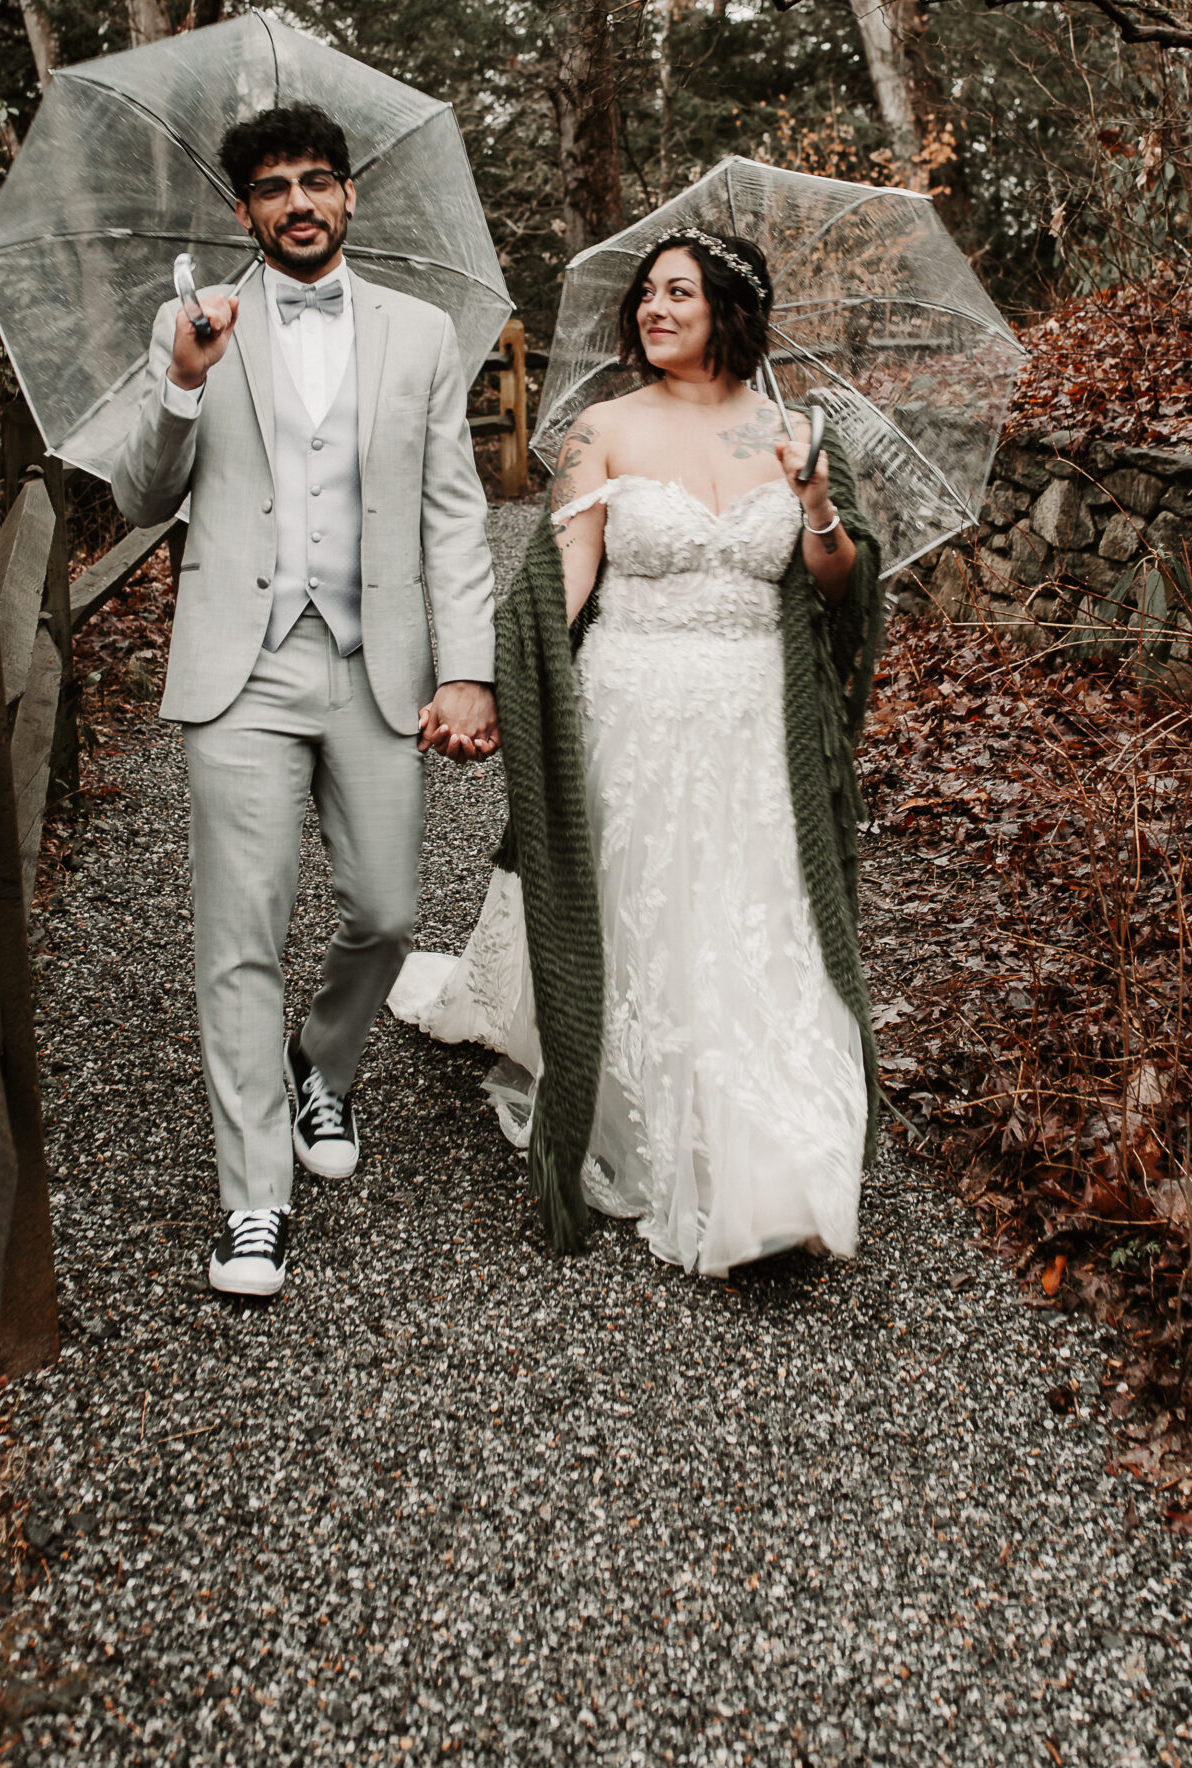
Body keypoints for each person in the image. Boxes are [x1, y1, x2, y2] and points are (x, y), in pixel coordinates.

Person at [390, 228, 884, 1277]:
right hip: (631, 711)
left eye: (679, 292)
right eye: (647, 293)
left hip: (756, 721)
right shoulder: (601, 429)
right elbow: (565, 581)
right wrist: (487, 683)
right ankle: (673, 1130)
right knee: (657, 914)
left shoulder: (795, 430)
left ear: (729, 310)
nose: (654, 309)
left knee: (762, 924)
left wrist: (815, 504)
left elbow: (839, 586)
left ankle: (777, 1167)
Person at [111, 102, 499, 1301]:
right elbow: (137, 496)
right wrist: (183, 378)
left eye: (317, 180)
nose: (299, 202)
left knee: (386, 909)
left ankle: (324, 1060)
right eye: (274, 186)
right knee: (240, 937)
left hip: (374, 662)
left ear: (348, 195)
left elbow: (451, 507)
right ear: (243, 211)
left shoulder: (421, 331)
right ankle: (252, 1202)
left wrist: (466, 663)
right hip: (242, 666)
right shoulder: (195, 324)